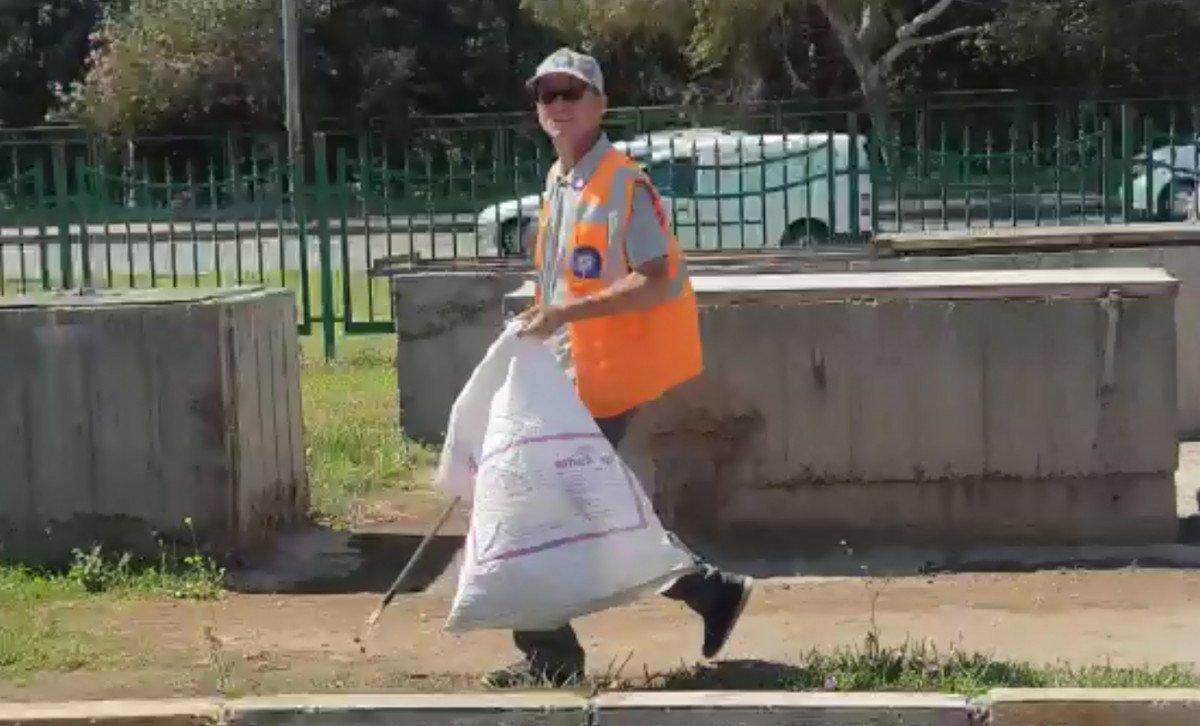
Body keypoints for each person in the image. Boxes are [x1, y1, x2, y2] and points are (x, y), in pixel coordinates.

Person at [484, 47, 753, 688]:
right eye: (547, 95)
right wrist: (539, 324)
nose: (557, 105)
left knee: (530, 510)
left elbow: (657, 280)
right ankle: (708, 592)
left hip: (604, 380)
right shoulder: (560, 181)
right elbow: (561, 284)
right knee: (587, 512)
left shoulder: (623, 184)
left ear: (600, 104)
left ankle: (553, 655)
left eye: (571, 93)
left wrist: (563, 319)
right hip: (566, 374)